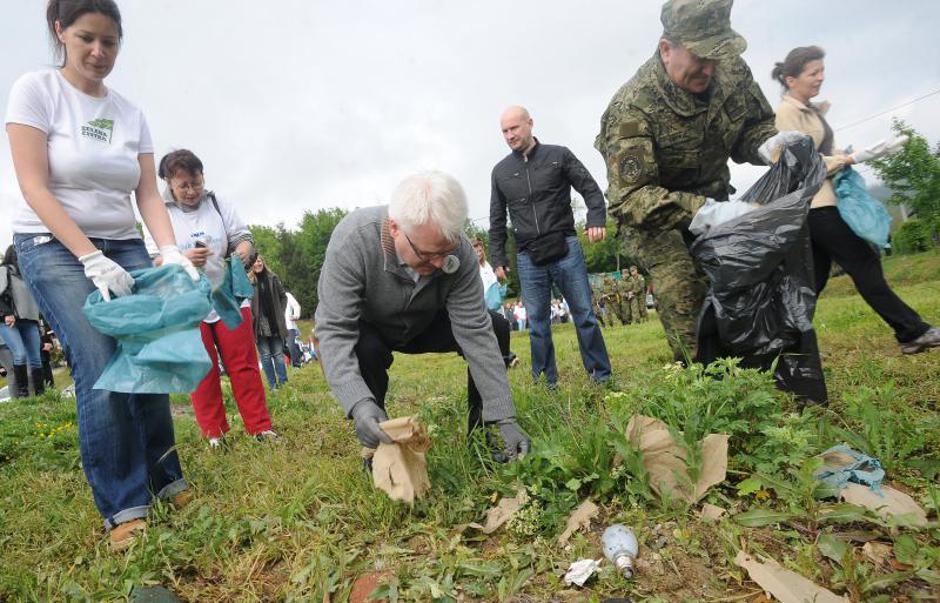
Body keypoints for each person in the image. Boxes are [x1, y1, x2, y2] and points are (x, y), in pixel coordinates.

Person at [6, 0, 197, 550]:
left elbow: (146, 193)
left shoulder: (129, 113)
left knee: (151, 354)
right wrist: (89, 256)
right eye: (86, 38)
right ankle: (124, 504)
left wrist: (168, 250)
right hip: (54, 244)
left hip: (125, 242)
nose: (98, 51)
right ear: (60, 31)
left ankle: (165, 478)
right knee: (102, 361)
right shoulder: (36, 91)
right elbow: (33, 186)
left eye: (109, 42)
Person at [595, 0, 800, 361]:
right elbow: (631, 198)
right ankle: (704, 375)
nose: (710, 67)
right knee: (682, 286)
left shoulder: (730, 71)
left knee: (743, 274)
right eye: (700, 57)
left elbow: (753, 126)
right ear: (666, 49)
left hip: (716, 198)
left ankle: (758, 359)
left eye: (717, 54)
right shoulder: (631, 108)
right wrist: (711, 213)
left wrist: (769, 144)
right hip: (654, 220)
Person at [315, 170, 529, 460]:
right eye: (427, 255)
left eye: (446, 252)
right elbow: (333, 330)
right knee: (363, 348)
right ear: (395, 228)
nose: (440, 264)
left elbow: (475, 332)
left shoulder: (460, 252)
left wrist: (504, 416)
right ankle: (376, 440)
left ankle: (483, 431)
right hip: (373, 329)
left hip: (427, 323)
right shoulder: (353, 240)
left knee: (495, 326)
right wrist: (357, 402)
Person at [772, 46, 940, 354]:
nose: (820, 77)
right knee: (863, 261)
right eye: (813, 73)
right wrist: (849, 159)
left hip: (824, 201)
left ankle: (781, 344)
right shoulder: (786, 114)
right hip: (814, 205)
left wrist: (854, 153)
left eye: (822, 71)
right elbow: (797, 163)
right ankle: (911, 332)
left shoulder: (810, 110)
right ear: (791, 80)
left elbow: (823, 153)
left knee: (812, 281)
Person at [155, 149, 277, 446]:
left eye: (196, 182)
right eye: (183, 185)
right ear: (169, 183)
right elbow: (153, 260)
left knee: (244, 364)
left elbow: (244, 239)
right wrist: (182, 258)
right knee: (201, 369)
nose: (191, 191)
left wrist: (240, 254)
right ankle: (214, 434)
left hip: (228, 295)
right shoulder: (159, 213)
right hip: (187, 301)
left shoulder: (219, 204)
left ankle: (259, 427)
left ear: (203, 177)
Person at [489, 106, 613, 388]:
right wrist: (498, 258)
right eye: (504, 131)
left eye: (514, 128)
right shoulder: (500, 172)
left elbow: (590, 189)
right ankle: (546, 382)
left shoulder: (559, 155)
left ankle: (601, 376)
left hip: (565, 247)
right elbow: (496, 219)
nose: (510, 135)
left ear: (530, 123)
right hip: (527, 256)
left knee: (584, 314)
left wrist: (596, 219)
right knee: (537, 323)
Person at [0, 245, 44, 398]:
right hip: (9, 320)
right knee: (20, 354)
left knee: (36, 358)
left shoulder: (27, 274)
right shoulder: (4, 270)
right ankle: (23, 393)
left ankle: (41, 394)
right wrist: (7, 313)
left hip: (30, 319)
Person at [471, 238, 518, 368]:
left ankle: (506, 357)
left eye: (480, 250)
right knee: (490, 333)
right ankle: (508, 357)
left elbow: (495, 284)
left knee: (500, 330)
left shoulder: (488, 266)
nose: (479, 254)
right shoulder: (472, 268)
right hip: (483, 304)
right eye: (476, 251)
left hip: (496, 304)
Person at [249, 255, 290, 389]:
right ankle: (273, 387)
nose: (257, 263)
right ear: (251, 265)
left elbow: (283, 296)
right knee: (265, 356)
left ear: (263, 262)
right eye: (254, 262)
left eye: (259, 261)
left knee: (278, 354)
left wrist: (280, 312)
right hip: (258, 325)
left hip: (275, 323)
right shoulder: (249, 281)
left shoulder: (273, 278)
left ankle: (284, 384)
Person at [284, 290, 303, 368]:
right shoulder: (272, 297)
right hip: (278, 327)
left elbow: (296, 305)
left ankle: (296, 365)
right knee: (281, 348)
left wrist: (296, 315)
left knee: (291, 345)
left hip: (289, 326)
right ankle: (299, 354)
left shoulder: (287, 295)